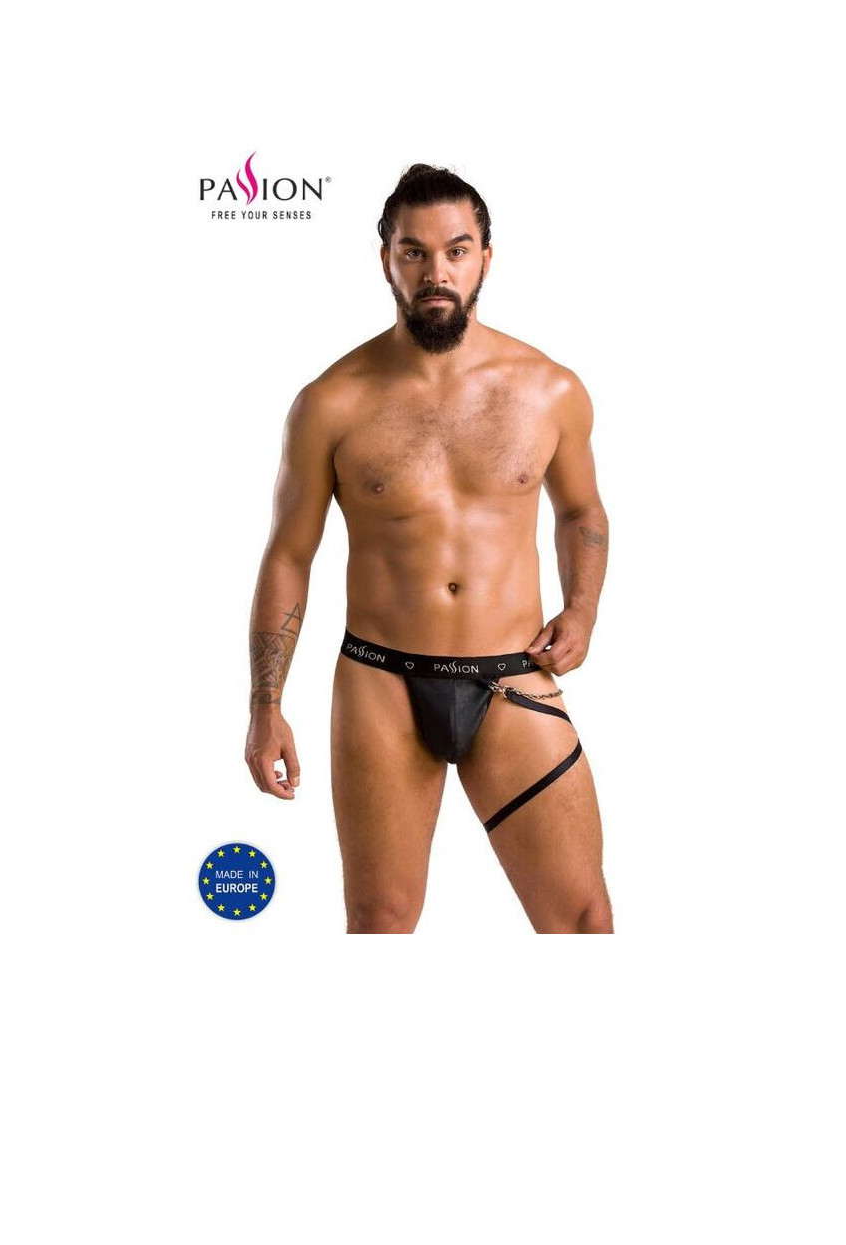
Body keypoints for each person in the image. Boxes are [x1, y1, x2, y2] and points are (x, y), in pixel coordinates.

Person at [244, 163, 614, 934]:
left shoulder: (550, 390)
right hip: (381, 681)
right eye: (413, 252)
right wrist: (265, 707)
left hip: (513, 675)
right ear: (386, 259)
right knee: (380, 921)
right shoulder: (330, 402)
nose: (435, 272)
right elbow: (288, 556)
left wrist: (581, 609)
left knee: (581, 919)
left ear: (486, 258)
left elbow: (581, 511)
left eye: (456, 250)